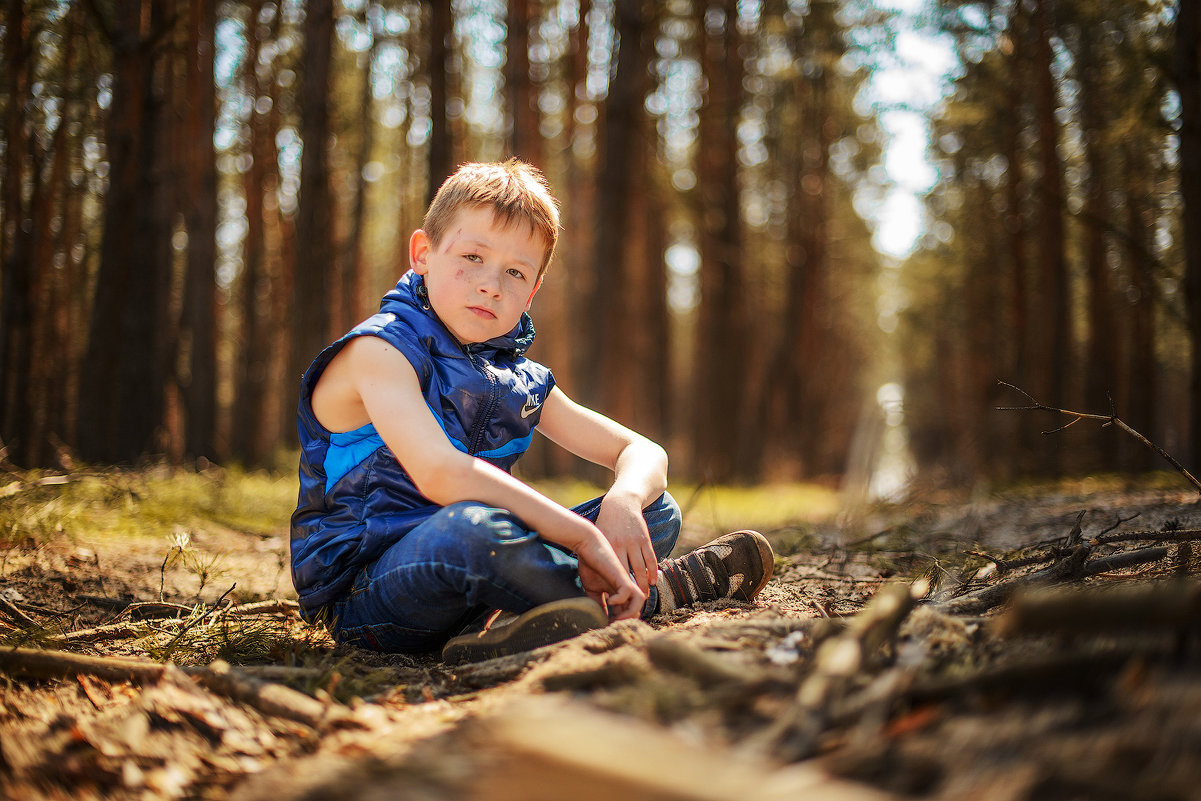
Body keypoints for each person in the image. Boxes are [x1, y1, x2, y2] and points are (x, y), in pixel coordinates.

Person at [290, 159, 774, 663]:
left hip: (485, 573)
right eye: (473, 256)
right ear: (423, 254)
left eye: (515, 272)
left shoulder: (516, 378)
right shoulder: (379, 350)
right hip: (371, 594)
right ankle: (652, 596)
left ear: (533, 290)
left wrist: (623, 502)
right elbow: (441, 474)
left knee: (656, 511)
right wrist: (581, 536)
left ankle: (509, 623)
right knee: (470, 530)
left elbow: (641, 450)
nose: (491, 284)